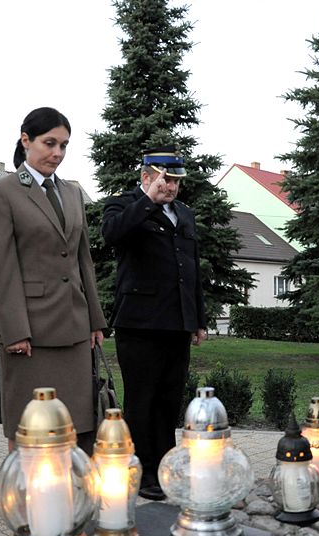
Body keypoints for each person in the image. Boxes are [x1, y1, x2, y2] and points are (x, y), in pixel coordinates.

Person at [0, 107, 106, 454]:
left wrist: (95, 320)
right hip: (30, 334)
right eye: (49, 143)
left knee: (76, 427)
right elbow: (1, 266)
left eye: (64, 145)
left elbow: (84, 261)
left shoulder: (71, 192)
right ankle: (23, 504)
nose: (57, 153)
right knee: (30, 431)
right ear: (26, 141)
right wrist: (14, 330)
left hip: (76, 330)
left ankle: (71, 502)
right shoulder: (2, 192)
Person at [101, 146, 207, 500]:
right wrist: (148, 200)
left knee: (168, 400)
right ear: (147, 176)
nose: (172, 187)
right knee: (142, 401)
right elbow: (112, 235)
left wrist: (198, 319)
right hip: (140, 324)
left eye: (177, 181)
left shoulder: (184, 214)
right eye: (166, 179)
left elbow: (191, 270)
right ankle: (142, 471)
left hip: (176, 323)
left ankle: (165, 467)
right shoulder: (124, 204)